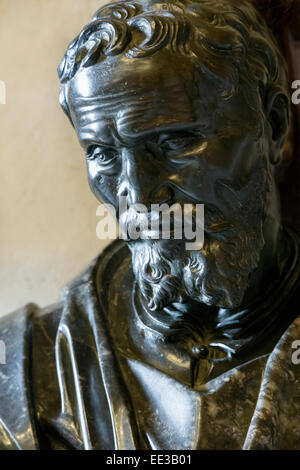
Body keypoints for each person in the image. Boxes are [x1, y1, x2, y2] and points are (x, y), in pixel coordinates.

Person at [0, 0, 300, 450]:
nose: (137, 198)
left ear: (273, 126)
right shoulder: (25, 371)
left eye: (175, 142)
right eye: (103, 154)